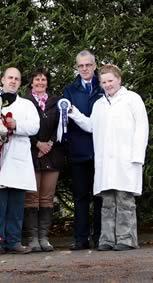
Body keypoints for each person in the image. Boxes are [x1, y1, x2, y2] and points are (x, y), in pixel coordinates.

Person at [68, 64, 149, 251]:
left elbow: (142, 129)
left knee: (125, 200)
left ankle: (126, 239)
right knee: (107, 202)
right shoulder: (99, 104)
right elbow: (91, 126)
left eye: (110, 80)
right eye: (104, 82)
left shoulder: (132, 99)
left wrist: (137, 156)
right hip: (106, 162)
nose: (107, 85)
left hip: (126, 160)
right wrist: (74, 113)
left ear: (119, 79)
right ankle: (107, 239)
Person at [0, 67, 40, 255]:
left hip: (17, 158)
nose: (13, 81)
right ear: (2, 80)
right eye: (10, 77)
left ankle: (14, 241)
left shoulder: (26, 105)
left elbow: (34, 127)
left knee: (16, 204)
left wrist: (16, 125)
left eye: (17, 78)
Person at [63, 50, 103, 250]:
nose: (84, 69)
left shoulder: (104, 86)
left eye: (88, 65)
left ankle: (99, 237)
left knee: (100, 196)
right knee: (80, 196)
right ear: (77, 67)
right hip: (78, 150)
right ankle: (80, 239)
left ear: (94, 66)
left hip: (101, 149)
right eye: (81, 66)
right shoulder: (69, 90)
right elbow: (66, 122)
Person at [23, 67, 66, 252]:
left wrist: (49, 144)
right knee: (31, 198)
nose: (40, 82)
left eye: (43, 80)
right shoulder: (24, 101)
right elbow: (20, 127)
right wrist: (37, 144)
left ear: (47, 82)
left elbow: (63, 127)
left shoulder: (57, 102)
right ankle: (32, 238)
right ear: (31, 82)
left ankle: (44, 237)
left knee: (47, 198)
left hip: (52, 155)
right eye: (37, 79)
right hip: (31, 155)